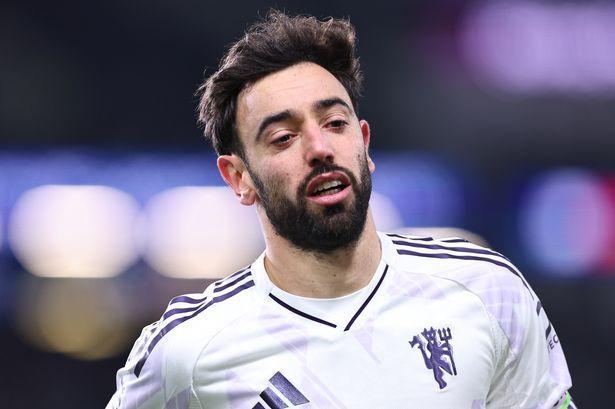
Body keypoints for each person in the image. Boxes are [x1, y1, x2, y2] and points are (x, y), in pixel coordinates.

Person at [107, 11, 575, 409]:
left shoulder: (488, 292)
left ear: (364, 144)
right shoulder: (187, 351)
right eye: (283, 138)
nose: (319, 148)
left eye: (334, 123)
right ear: (239, 178)